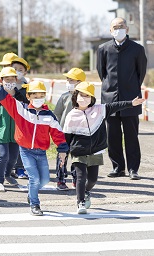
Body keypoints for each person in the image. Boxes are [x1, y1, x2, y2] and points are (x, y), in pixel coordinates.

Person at [0, 77, 69, 216]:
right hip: (26, 151)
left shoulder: (49, 115)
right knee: (34, 178)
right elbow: (7, 101)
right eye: (35, 96)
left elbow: (58, 133)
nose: (38, 98)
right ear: (28, 96)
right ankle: (35, 204)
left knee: (44, 180)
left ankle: (31, 193)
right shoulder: (22, 109)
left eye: (41, 96)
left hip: (41, 152)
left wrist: (62, 150)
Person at [63, 81, 145, 214]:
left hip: (95, 151)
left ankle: (87, 192)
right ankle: (80, 202)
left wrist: (131, 103)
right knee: (81, 176)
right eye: (81, 95)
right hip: (78, 152)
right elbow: (67, 138)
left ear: (92, 99)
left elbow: (115, 106)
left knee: (93, 179)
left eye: (87, 96)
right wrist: (64, 154)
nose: (84, 99)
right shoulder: (71, 116)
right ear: (76, 96)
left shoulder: (99, 110)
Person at [97, 17, 147, 180]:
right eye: (115, 27)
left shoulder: (137, 49)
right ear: (110, 30)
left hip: (132, 98)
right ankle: (118, 167)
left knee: (132, 135)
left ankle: (133, 169)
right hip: (110, 99)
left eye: (121, 26)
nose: (118, 29)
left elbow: (141, 72)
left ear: (127, 29)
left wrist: (131, 87)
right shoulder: (103, 49)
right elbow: (101, 72)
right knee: (113, 136)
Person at [0, 67, 27, 192]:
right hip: (1, 132)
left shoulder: (20, 97)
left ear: (16, 80)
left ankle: (7, 175)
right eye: (7, 79)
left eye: (12, 79)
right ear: (1, 80)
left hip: (16, 134)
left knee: (14, 157)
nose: (10, 82)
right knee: (3, 155)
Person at [54, 68, 86, 191]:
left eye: (71, 80)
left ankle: (76, 178)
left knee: (77, 157)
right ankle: (60, 180)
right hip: (64, 132)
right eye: (68, 80)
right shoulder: (64, 97)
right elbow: (57, 114)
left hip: (79, 132)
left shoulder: (85, 98)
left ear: (80, 82)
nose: (69, 82)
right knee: (62, 156)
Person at [11, 57, 30, 179]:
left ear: (25, 72)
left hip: (22, 120)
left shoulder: (27, 87)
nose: (17, 71)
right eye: (15, 69)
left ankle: (19, 168)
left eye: (20, 69)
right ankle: (8, 169)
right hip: (7, 121)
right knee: (8, 146)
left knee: (20, 144)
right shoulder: (6, 85)